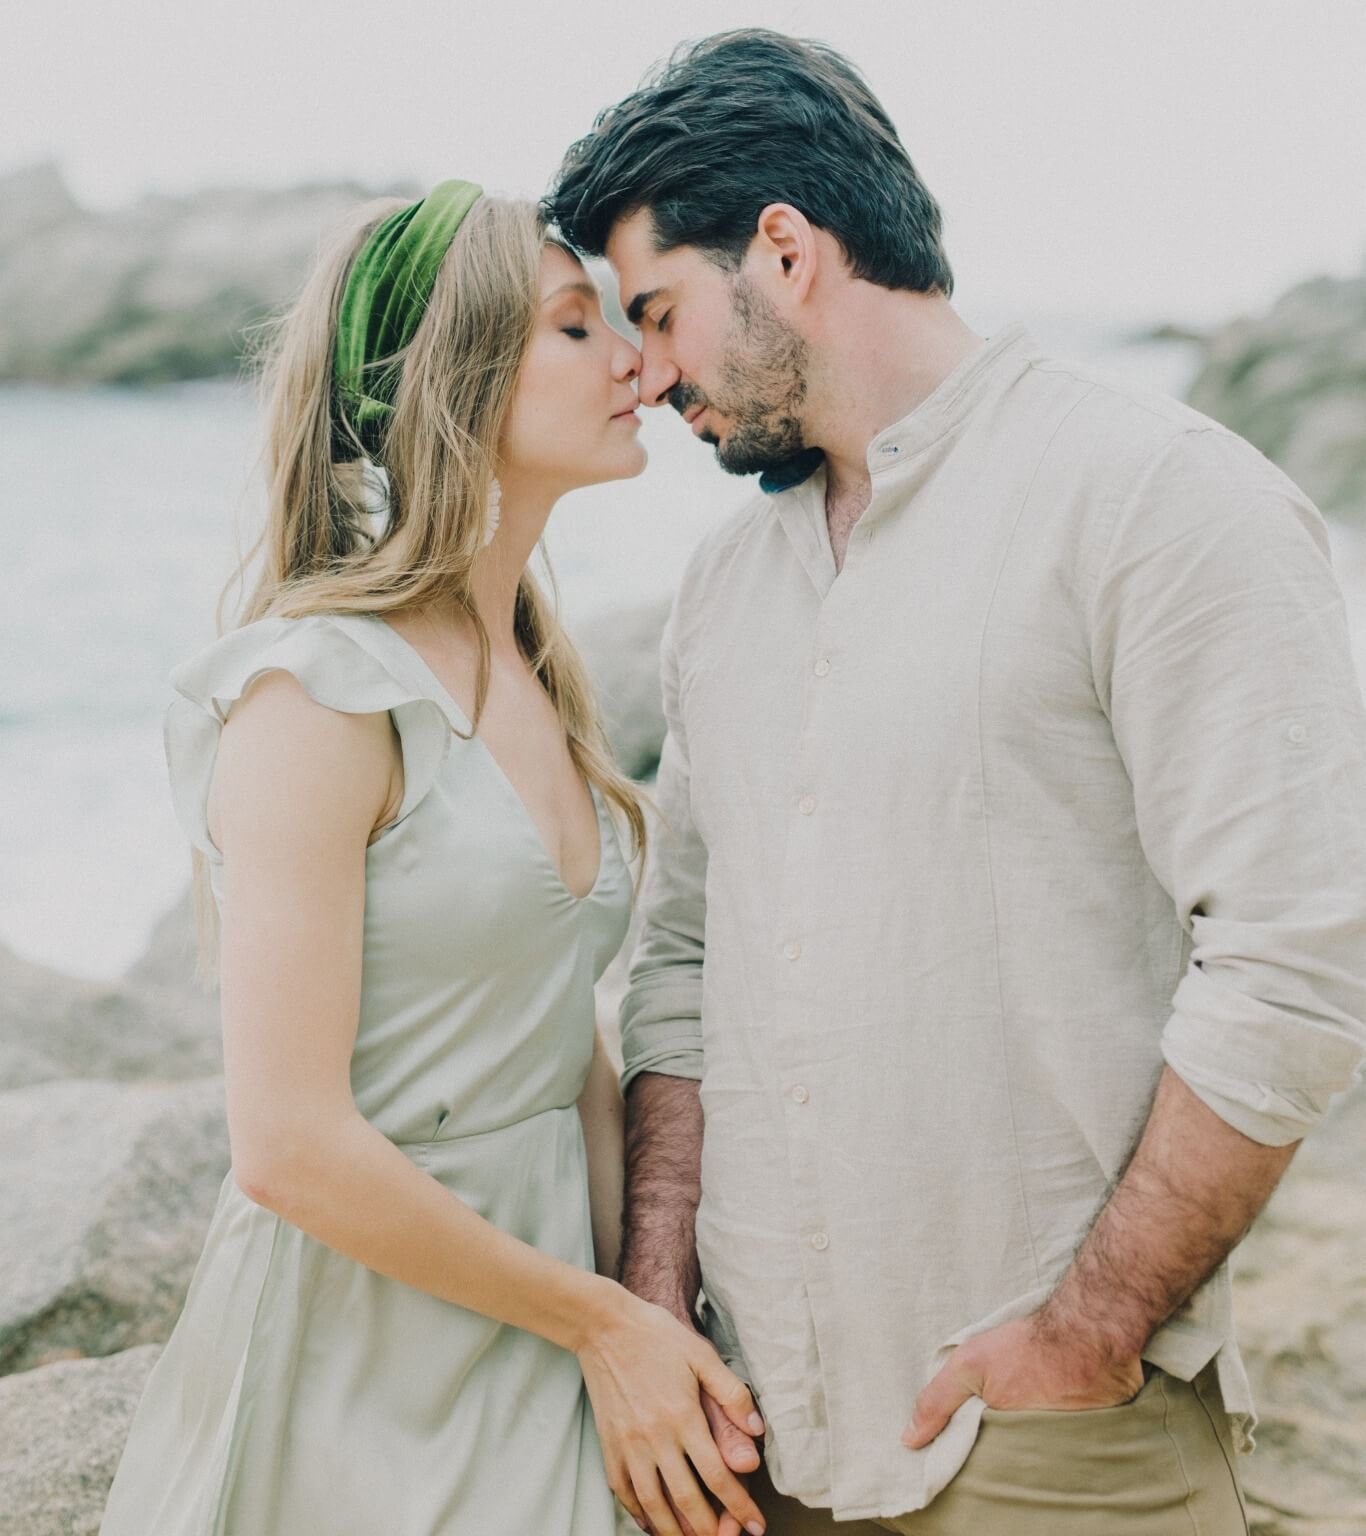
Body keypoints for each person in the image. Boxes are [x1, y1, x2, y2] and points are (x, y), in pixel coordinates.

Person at [544, 29, 1366, 1536]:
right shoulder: (725, 588)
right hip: (753, 1435)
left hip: (1050, 1444)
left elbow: (1293, 965)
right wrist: (655, 1293)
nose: (646, 375)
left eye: (658, 313)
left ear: (784, 252)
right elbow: (681, 963)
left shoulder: (1162, 500)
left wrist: (1086, 1336)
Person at [98, 179, 769, 1536]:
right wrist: (599, 1324)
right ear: (452, 381)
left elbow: (566, 1049)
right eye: (575, 327)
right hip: (365, 1359)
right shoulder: (317, 697)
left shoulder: (531, 670)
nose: (638, 362)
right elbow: (286, 1147)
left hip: (543, 1323)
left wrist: (645, 1312)